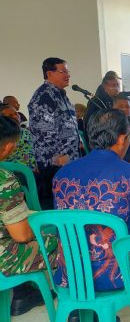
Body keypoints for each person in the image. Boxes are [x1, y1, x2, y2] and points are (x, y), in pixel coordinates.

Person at [53, 108, 130, 296]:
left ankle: (80, 311)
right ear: (122, 139)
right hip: (117, 274)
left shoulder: (62, 174)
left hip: (71, 273)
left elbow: (61, 228)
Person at [0, 116, 58, 317]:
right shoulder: (4, 179)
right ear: (8, 147)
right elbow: (21, 235)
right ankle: (80, 310)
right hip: (3, 258)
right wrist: (40, 222)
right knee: (68, 247)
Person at [28, 57, 80, 210]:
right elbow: (44, 132)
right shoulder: (44, 96)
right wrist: (57, 157)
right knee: (56, 205)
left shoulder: (60, 94)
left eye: (68, 71)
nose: (68, 74)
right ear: (49, 73)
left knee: (67, 202)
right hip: (55, 163)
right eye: (63, 71)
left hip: (67, 159)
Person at [0, 104, 36, 171]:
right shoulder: (4, 135)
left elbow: (31, 150)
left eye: (16, 114)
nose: (15, 117)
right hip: (12, 171)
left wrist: (35, 165)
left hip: (30, 170)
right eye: (10, 115)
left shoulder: (26, 132)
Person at [85, 71, 121, 136]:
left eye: (118, 85)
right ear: (105, 87)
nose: (117, 88)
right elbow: (90, 123)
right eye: (113, 85)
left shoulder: (115, 99)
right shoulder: (96, 102)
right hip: (99, 137)